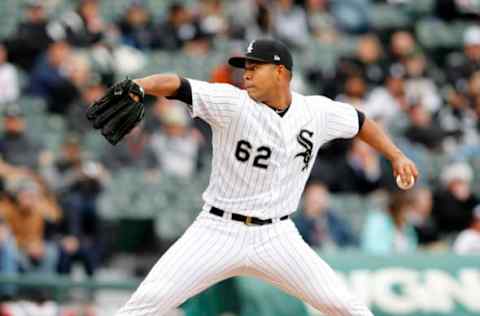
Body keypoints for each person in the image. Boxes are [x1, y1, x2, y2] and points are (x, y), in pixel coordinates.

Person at [114, 39, 418, 316]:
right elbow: (178, 85)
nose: (246, 74)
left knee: (348, 308)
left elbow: (360, 121)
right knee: (144, 306)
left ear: (281, 72)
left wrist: (396, 155)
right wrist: (140, 85)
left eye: (255, 67)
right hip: (217, 230)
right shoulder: (232, 104)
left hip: (276, 235)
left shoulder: (316, 112)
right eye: (245, 68)